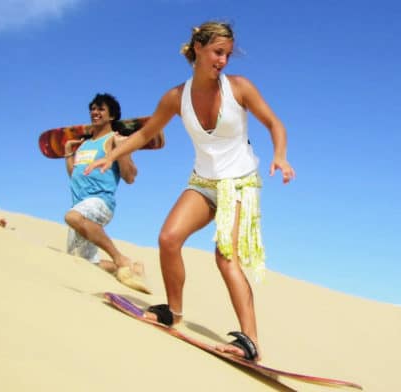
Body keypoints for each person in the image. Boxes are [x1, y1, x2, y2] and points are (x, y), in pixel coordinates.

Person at [85, 21, 295, 361]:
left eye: (227, 54)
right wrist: (110, 156)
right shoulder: (175, 97)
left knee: (225, 258)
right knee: (169, 239)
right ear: (197, 48)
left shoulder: (239, 88)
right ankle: (174, 312)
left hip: (239, 182)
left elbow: (274, 123)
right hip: (202, 181)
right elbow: (144, 134)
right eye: (217, 52)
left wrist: (280, 155)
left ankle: (250, 341)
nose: (223, 60)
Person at [64, 93, 148, 293]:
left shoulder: (114, 140)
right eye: (93, 108)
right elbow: (74, 175)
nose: (95, 112)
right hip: (80, 204)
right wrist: (68, 152)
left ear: (111, 116)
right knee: (80, 262)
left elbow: (130, 177)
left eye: (101, 109)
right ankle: (133, 267)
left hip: (100, 202)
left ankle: (119, 258)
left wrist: (123, 150)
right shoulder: (84, 144)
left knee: (72, 217)